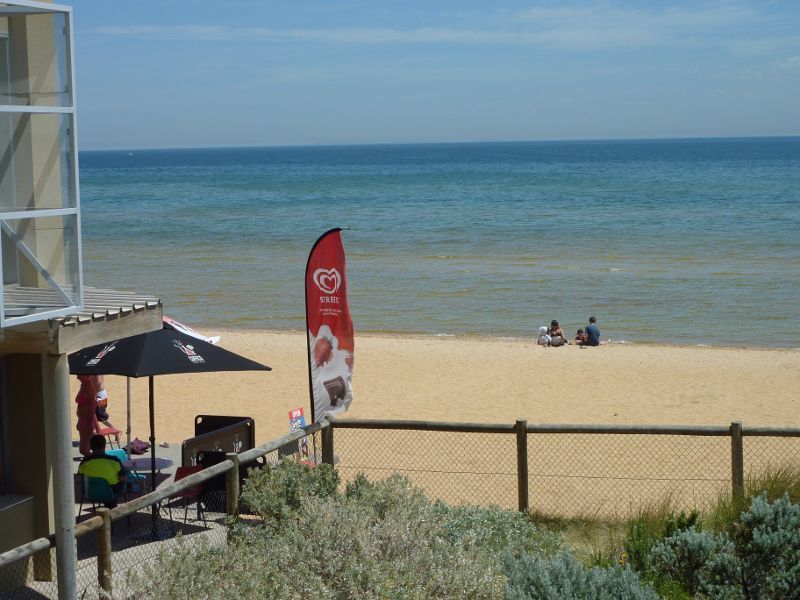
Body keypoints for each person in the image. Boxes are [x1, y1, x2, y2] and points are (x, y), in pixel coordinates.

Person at [77, 434, 127, 507]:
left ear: (91, 447)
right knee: (121, 483)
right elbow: (123, 478)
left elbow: (80, 478)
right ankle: (112, 509)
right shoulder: (114, 460)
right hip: (111, 491)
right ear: (104, 446)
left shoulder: (85, 462)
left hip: (90, 492)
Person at [75, 375, 100, 458]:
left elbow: (92, 408)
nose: (77, 375)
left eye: (79, 373)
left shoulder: (89, 387)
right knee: (84, 448)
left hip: (87, 421)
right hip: (82, 420)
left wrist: (89, 424)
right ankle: (92, 460)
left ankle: (94, 460)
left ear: (85, 375)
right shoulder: (83, 385)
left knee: (84, 449)